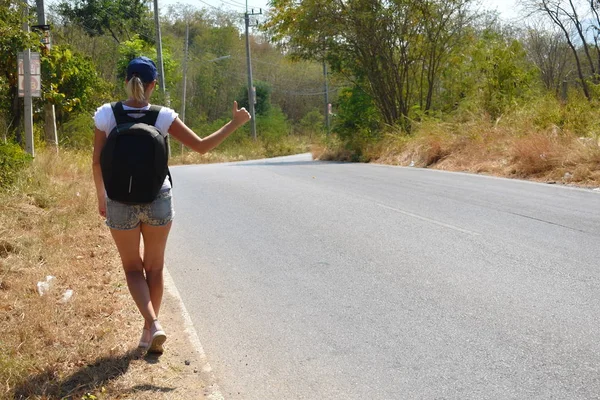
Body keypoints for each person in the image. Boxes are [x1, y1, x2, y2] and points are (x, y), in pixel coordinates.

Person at [92, 56, 251, 354]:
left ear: (126, 81)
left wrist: (102, 197)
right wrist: (235, 122)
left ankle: (152, 325)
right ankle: (149, 331)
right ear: (154, 84)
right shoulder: (162, 116)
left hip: (119, 200)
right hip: (158, 198)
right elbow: (202, 147)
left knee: (131, 269)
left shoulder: (106, 114)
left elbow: (97, 161)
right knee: (154, 267)